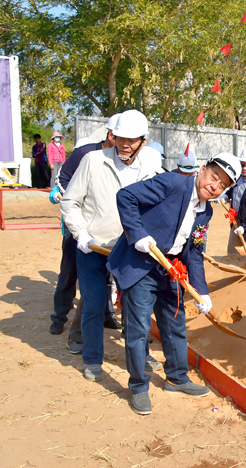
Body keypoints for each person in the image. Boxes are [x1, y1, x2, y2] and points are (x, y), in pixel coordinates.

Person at [107, 153, 242, 415]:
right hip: (142, 263)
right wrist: (138, 235)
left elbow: (193, 252)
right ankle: (138, 387)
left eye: (222, 185)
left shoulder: (206, 212)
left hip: (171, 270)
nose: (214, 186)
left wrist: (202, 292)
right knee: (138, 329)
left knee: (175, 325)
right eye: (214, 177)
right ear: (202, 169)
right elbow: (126, 197)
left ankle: (177, 378)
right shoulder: (173, 183)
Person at [60, 110, 162, 381]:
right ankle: (92, 359)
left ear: (143, 140)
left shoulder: (151, 162)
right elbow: (70, 201)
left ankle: (141, 354)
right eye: (120, 138)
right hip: (93, 248)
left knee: (136, 307)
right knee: (93, 304)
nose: (125, 144)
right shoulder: (93, 161)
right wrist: (80, 233)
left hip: (130, 250)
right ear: (112, 135)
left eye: (132, 140)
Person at [49, 113, 121, 342]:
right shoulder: (85, 154)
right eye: (122, 139)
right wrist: (81, 204)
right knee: (70, 272)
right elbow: (62, 179)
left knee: (106, 276)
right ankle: (59, 317)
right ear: (111, 135)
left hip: (105, 231)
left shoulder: (123, 160)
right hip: (78, 228)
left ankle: (106, 314)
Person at [224, 147, 246, 255]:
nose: (244, 168)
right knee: (232, 255)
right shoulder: (238, 177)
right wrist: (226, 194)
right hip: (236, 224)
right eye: (242, 165)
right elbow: (233, 189)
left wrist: (244, 227)